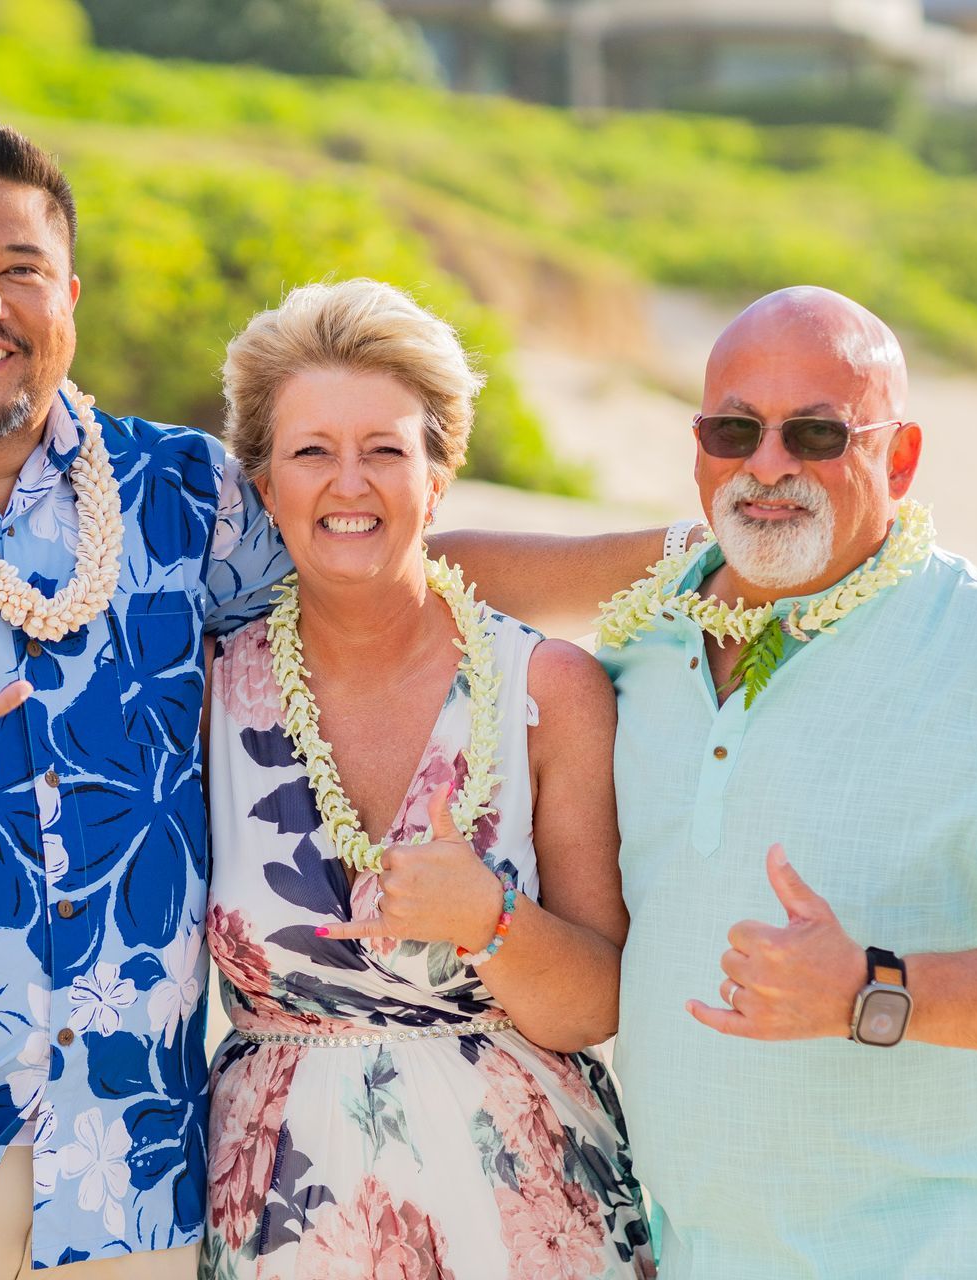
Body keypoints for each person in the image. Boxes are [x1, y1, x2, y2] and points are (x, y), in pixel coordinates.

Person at [0, 119, 671, 1278]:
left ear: (71, 298)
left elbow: (376, 569)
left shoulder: (172, 496)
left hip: (130, 1197)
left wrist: (704, 554)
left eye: (20, 271)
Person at [597, 286, 977, 1279]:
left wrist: (871, 988)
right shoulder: (649, 628)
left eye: (817, 433)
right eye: (734, 427)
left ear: (899, 457)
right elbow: (434, 570)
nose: (766, 463)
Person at [198, 279, 650, 1280]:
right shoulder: (207, 691)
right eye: (311, 450)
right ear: (265, 483)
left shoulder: (548, 689)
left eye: (387, 450)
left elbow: (596, 1002)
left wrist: (492, 918)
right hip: (280, 1212)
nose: (347, 483)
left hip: (524, 1211)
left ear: (439, 476)